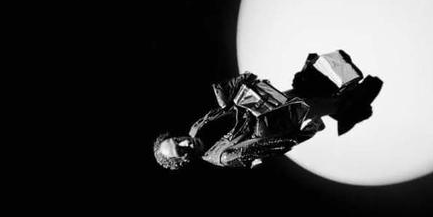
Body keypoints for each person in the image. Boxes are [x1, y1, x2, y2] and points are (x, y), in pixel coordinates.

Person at [153, 50, 383, 170]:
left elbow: (226, 109)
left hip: (265, 100)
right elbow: (274, 146)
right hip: (282, 119)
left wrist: (239, 90)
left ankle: (344, 84)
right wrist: (310, 129)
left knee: (314, 83)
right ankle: (350, 103)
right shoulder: (224, 157)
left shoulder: (195, 128)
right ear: (183, 161)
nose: (185, 143)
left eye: (177, 140)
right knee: (336, 103)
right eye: (180, 150)